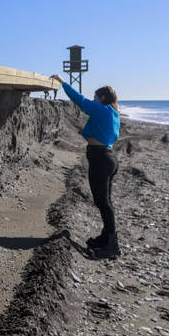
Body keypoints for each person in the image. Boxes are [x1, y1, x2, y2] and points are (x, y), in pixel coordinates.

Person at [49, 74, 121, 258]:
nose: (94, 99)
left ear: (102, 98)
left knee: (102, 202)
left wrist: (63, 82)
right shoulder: (114, 113)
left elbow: (79, 100)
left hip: (101, 158)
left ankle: (112, 245)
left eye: (96, 97)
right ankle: (106, 237)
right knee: (106, 201)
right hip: (108, 157)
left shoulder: (102, 109)